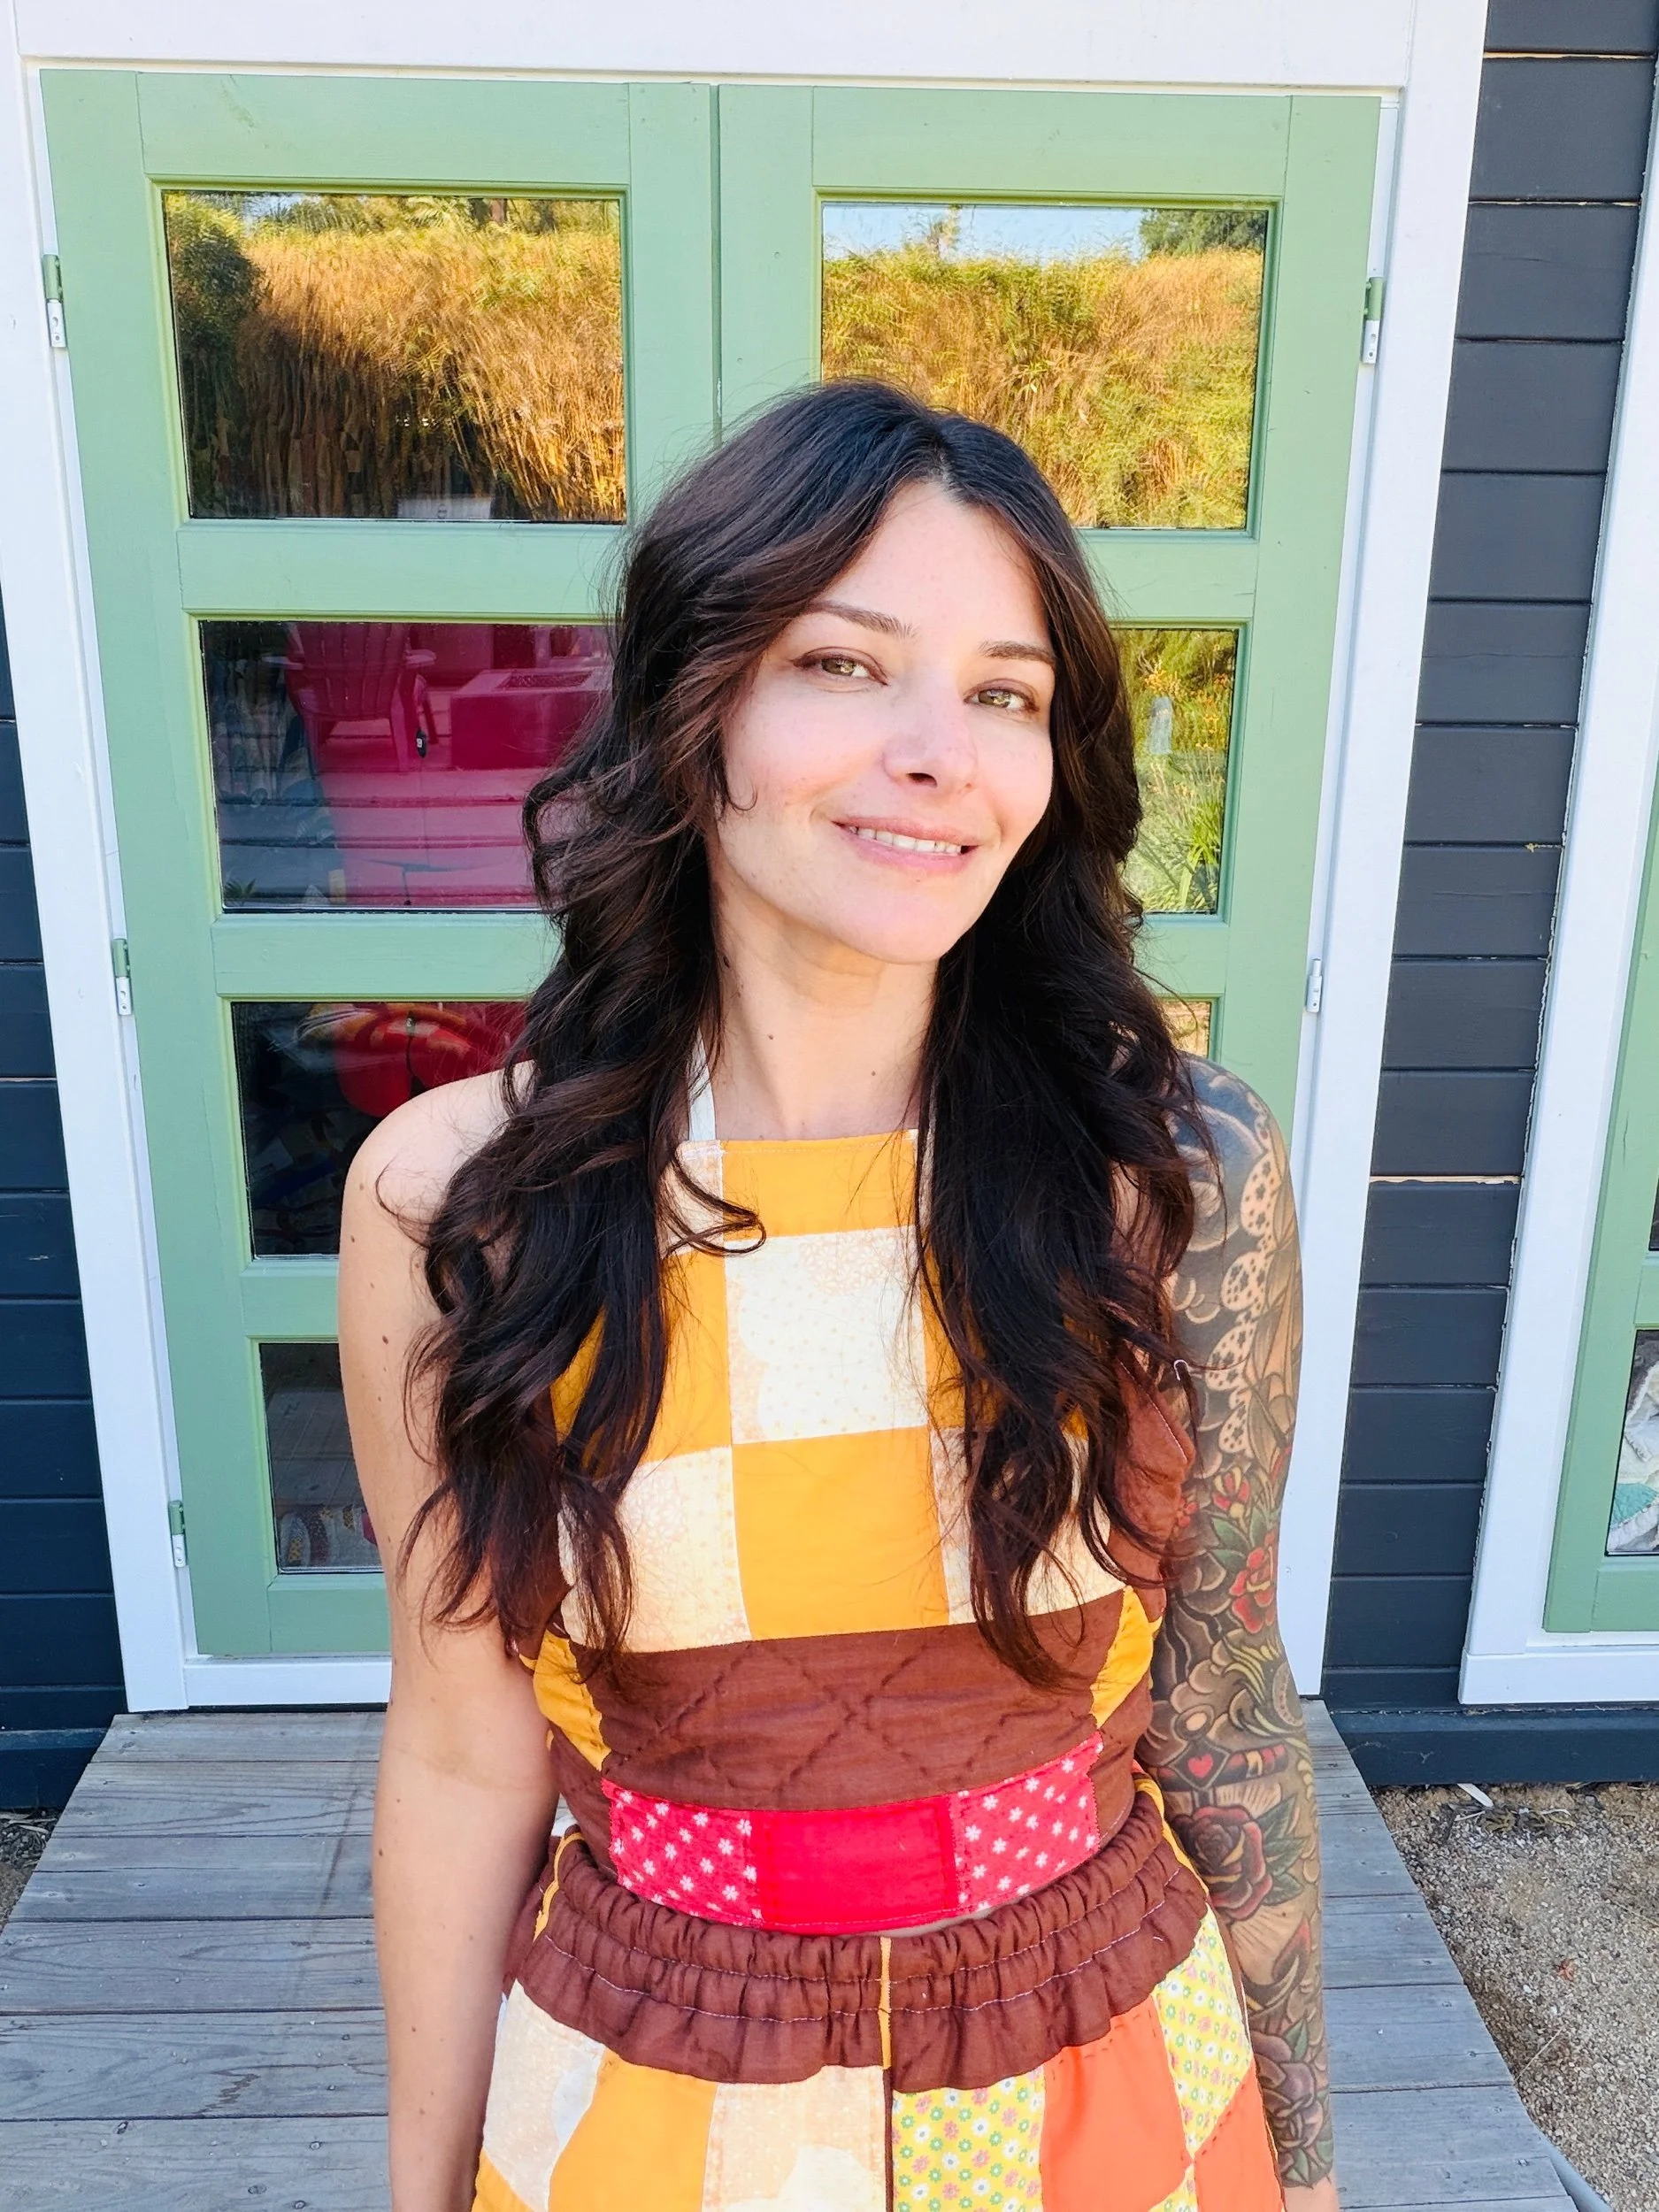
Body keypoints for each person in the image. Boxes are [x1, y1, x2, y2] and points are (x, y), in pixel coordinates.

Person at [340, 380, 1337, 2212]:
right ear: (695, 703)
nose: (938, 751)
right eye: (845, 663)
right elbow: (465, 1757)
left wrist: (1315, 2166)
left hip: (1108, 2083)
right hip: (644, 2094)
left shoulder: (1175, 1171)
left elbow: (1225, 1708)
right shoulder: (458, 1205)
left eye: (1004, 693)